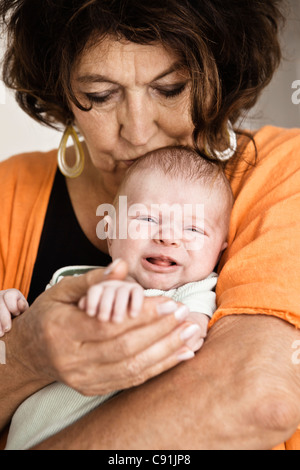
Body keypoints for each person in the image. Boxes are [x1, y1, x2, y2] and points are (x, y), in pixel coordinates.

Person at [0, 0, 300, 451]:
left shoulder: (286, 171)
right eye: (101, 95)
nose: (138, 132)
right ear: (63, 96)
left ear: (219, 78)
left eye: (171, 88)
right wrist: (24, 357)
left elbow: (259, 398)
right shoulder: (9, 192)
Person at [4, 147, 233, 449]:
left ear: (220, 250)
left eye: (193, 228)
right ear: (110, 231)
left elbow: (187, 335)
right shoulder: (71, 279)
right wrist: (10, 308)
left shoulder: (195, 292)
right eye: (147, 218)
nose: (168, 236)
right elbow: (35, 337)